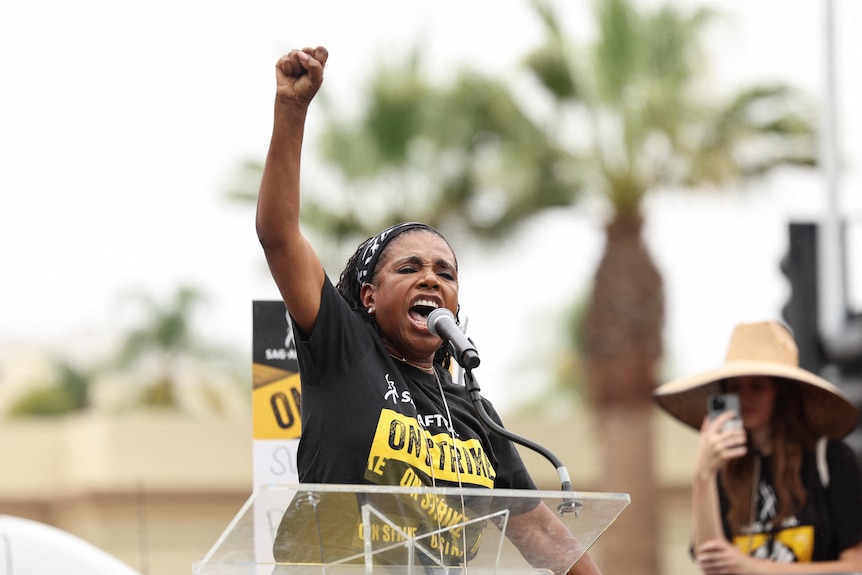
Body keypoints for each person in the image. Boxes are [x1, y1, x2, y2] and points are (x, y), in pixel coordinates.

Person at [255, 46, 602, 575]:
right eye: (409, 268)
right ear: (369, 296)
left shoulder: (477, 417)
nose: (431, 279)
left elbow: (542, 534)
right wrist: (292, 112)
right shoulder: (346, 350)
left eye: (446, 272)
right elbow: (279, 237)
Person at [653, 320, 862, 574]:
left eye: (757, 386)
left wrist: (752, 567)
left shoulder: (830, 458)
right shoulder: (725, 466)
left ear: (783, 393)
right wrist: (703, 474)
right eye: (735, 388)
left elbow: (855, 565)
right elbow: (713, 564)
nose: (745, 398)